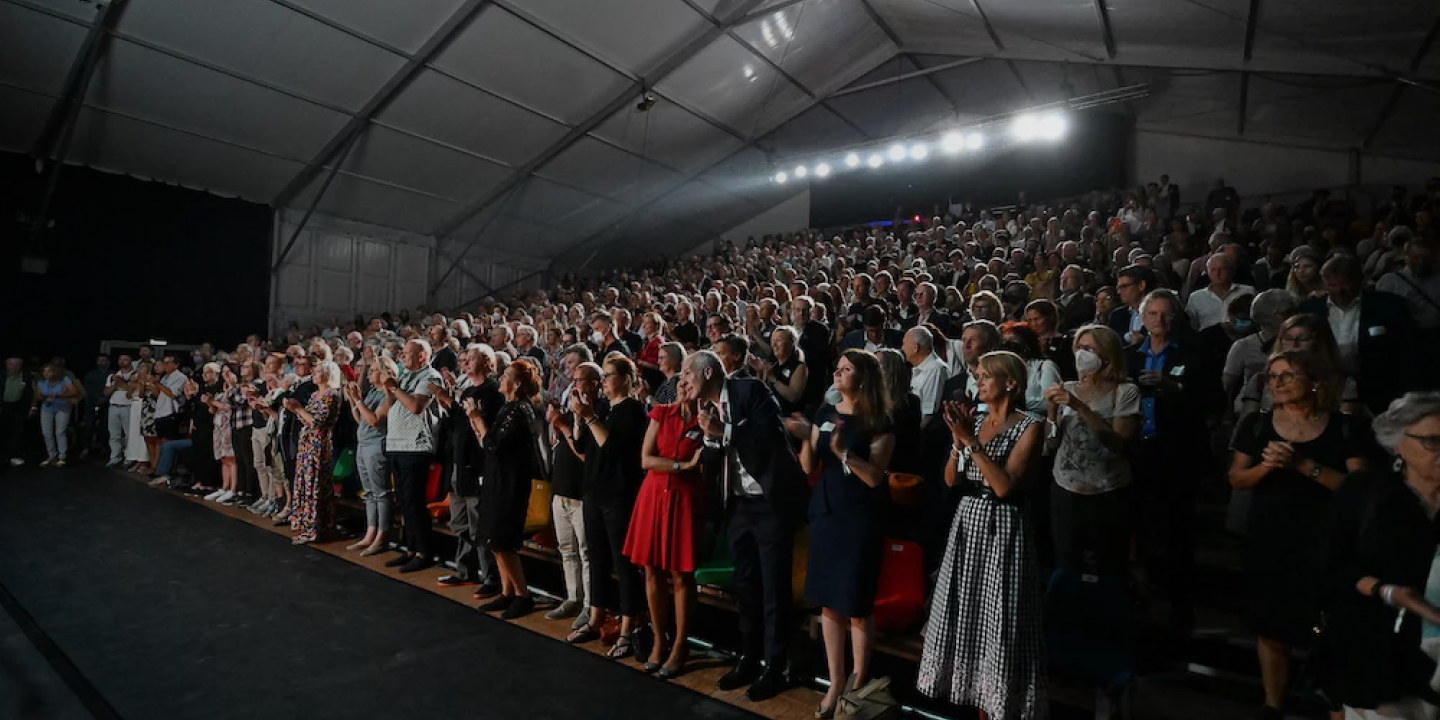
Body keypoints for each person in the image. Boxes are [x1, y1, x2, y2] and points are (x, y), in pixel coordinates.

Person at [1228, 350, 1370, 719]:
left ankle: (1340, 708)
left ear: (1315, 382)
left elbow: (1360, 489)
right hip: (1270, 538)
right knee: (1270, 626)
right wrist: (1267, 467)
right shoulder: (1256, 426)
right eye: (1273, 377)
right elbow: (1237, 479)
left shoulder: (1344, 428)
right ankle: (1273, 704)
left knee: (1331, 630)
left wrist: (1305, 466)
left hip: (1327, 541)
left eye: (1287, 375)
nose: (1277, 383)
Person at [918, 351, 1046, 720]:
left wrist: (969, 441)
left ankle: (999, 706)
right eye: (978, 375)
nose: (979, 381)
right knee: (970, 616)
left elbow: (1005, 486)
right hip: (968, 522)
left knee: (999, 619)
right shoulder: (974, 422)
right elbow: (950, 479)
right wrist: (958, 442)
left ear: (1010, 383)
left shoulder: (1031, 426)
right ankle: (972, 702)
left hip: (1004, 526)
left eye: (987, 376)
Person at [690, 350, 808, 702]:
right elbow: (713, 464)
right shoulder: (707, 409)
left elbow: (769, 436)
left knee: (774, 588)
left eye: (688, 373)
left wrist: (723, 430)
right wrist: (711, 438)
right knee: (746, 587)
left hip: (770, 503)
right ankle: (749, 658)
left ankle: (776, 666)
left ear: (708, 372)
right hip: (739, 504)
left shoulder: (750, 390)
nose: (683, 381)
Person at [784, 350, 895, 718]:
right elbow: (807, 465)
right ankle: (835, 681)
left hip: (859, 518)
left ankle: (858, 688)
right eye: (838, 367)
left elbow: (875, 477)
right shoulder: (824, 413)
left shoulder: (879, 420)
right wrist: (805, 437)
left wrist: (846, 453)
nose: (837, 372)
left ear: (863, 378)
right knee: (829, 603)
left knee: (856, 604)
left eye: (846, 369)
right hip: (826, 512)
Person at [1321, 392, 1440, 719]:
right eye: (1433, 441)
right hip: (1379, 660)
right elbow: (1329, 567)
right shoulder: (1365, 493)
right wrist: (1386, 591)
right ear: (1397, 444)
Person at [1126, 289, 1218, 630]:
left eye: (1166, 314)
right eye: (1153, 314)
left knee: (1178, 525)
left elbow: (1212, 398)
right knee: (1139, 523)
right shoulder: (1132, 355)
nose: (1159, 321)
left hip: (1177, 449)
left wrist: (1174, 388)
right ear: (1143, 317)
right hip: (1139, 450)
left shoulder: (1194, 352)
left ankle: (1179, 600)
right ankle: (1143, 592)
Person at [624, 372, 705, 679]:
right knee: (651, 570)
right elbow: (646, 459)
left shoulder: (708, 422)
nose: (684, 385)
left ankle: (681, 644)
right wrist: (682, 466)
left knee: (681, 574)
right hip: (653, 496)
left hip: (685, 500)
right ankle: (660, 639)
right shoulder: (661, 412)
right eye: (681, 381)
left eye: (690, 380)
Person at [1045, 325, 1141, 575]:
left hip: (1107, 489)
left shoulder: (1125, 392)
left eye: (1089, 348)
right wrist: (1052, 412)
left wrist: (1080, 407)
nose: (1082, 354)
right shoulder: (1067, 387)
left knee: (1108, 564)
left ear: (1107, 354)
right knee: (1067, 563)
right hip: (1066, 489)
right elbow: (1051, 443)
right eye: (1080, 348)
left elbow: (1119, 444)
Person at [569, 356, 647, 656]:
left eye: (609, 375)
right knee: (596, 557)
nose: (603, 381)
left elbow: (613, 449)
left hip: (619, 495)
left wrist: (589, 418)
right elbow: (581, 446)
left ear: (627, 378)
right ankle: (596, 615)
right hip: (593, 491)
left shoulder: (632, 411)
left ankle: (629, 627)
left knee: (622, 561)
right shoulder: (602, 408)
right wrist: (579, 417)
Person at [467, 360, 543, 620]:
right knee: (494, 540)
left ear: (517, 383)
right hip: (497, 478)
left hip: (510, 483)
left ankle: (523, 595)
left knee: (503, 540)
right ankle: (507, 590)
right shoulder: (509, 407)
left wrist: (478, 419)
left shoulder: (520, 410)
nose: (500, 378)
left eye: (506, 375)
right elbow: (488, 445)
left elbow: (495, 446)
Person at [1299, 254, 1418, 415]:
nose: (1339, 291)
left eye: (1345, 284)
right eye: (1332, 285)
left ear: (1359, 281)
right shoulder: (1310, 309)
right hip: (1328, 392)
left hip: (1379, 394)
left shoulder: (1389, 306)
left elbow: (1406, 353)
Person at [435, 345, 504, 590]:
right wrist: (446, 401)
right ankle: (465, 570)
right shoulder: (467, 392)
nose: (465, 364)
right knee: (460, 522)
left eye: (471, 359)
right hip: (458, 464)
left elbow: (488, 430)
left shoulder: (493, 391)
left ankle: (491, 577)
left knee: (479, 525)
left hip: (477, 466)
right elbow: (457, 424)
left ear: (487, 362)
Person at [380, 340, 445, 573]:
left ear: (422, 356)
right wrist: (390, 390)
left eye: (408, 353)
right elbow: (389, 410)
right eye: (403, 352)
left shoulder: (431, 377)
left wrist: (395, 389)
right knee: (403, 502)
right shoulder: (406, 377)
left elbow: (416, 406)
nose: (403, 356)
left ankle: (424, 552)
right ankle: (409, 549)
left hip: (416, 447)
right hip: (397, 445)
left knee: (414, 503)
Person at [547, 351, 601, 627]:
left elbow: (585, 454)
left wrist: (565, 428)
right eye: (574, 379)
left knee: (586, 552)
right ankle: (572, 597)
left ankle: (591, 606)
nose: (576, 383)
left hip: (582, 491)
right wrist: (558, 427)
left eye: (581, 379)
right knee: (566, 548)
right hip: (562, 488)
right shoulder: (572, 409)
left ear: (595, 383)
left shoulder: (598, 413)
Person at [285, 360, 342, 545]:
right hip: (307, 442)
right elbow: (307, 421)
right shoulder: (315, 394)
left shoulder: (332, 395)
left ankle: (316, 527)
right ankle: (305, 524)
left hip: (319, 444)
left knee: (315, 484)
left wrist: (299, 409)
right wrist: (295, 410)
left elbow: (318, 422)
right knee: (304, 482)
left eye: (317, 371)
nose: (314, 374)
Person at [344, 357, 394, 555]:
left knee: (381, 493)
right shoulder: (373, 391)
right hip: (363, 444)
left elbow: (374, 420)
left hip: (376, 445)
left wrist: (357, 400)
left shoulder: (387, 395)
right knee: (369, 493)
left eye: (374, 370)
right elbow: (360, 419)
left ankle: (382, 535)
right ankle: (370, 532)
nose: (370, 374)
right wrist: (352, 399)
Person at [876, 348, 922, 477]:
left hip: (898, 470)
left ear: (890, 370)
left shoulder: (910, 403)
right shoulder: (870, 399)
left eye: (876, 364)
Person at [34, 363, 82, 467]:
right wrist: (45, 398)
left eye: (49, 371)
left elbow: (74, 392)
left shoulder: (64, 380)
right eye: (44, 371)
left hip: (62, 407)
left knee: (60, 431)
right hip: (47, 407)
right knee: (46, 432)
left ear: (55, 372)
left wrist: (58, 395)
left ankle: (62, 456)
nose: (46, 373)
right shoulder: (42, 382)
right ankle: (51, 455)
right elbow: (38, 395)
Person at [903, 326, 948, 427]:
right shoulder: (918, 368)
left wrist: (914, 436)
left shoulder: (935, 369)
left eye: (904, 344)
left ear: (915, 348)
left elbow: (929, 413)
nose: (902, 348)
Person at [763, 326, 809, 417]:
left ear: (791, 343)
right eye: (773, 340)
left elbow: (793, 397)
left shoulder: (799, 367)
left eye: (779, 340)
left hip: (789, 418)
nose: (775, 345)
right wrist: (760, 371)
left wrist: (773, 379)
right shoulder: (773, 366)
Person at [4, 358, 36, 467]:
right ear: (6, 365)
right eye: (11, 364)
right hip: (3, 406)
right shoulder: (2, 376)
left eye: (17, 364)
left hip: (19, 406)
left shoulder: (26, 376)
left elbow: (34, 392)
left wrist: (33, 407)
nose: (14, 367)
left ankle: (15, 455)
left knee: (17, 431)